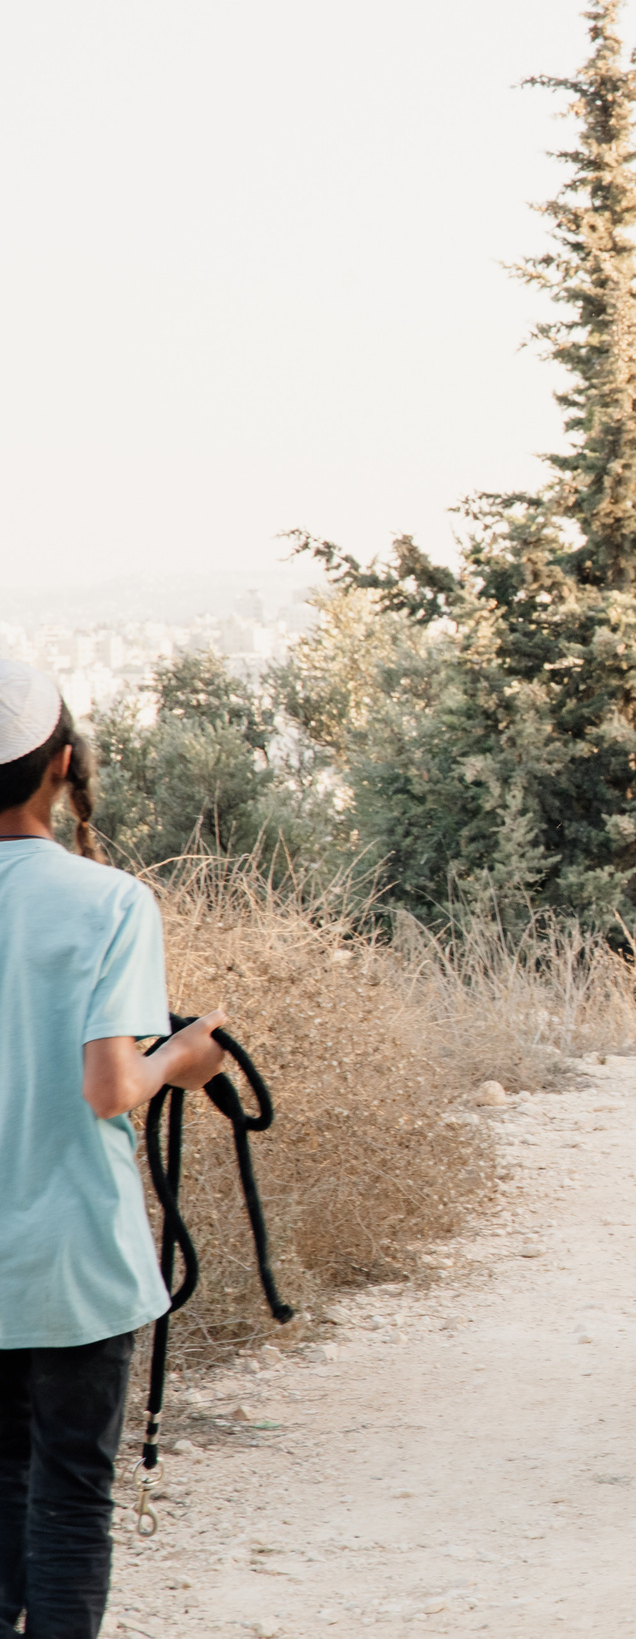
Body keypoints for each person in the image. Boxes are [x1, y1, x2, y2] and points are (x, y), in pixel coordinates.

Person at [0, 662, 232, 1639]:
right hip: (71, 1260)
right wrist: (182, 1054)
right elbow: (109, 1085)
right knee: (68, 1494)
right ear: (62, 764)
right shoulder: (111, 902)